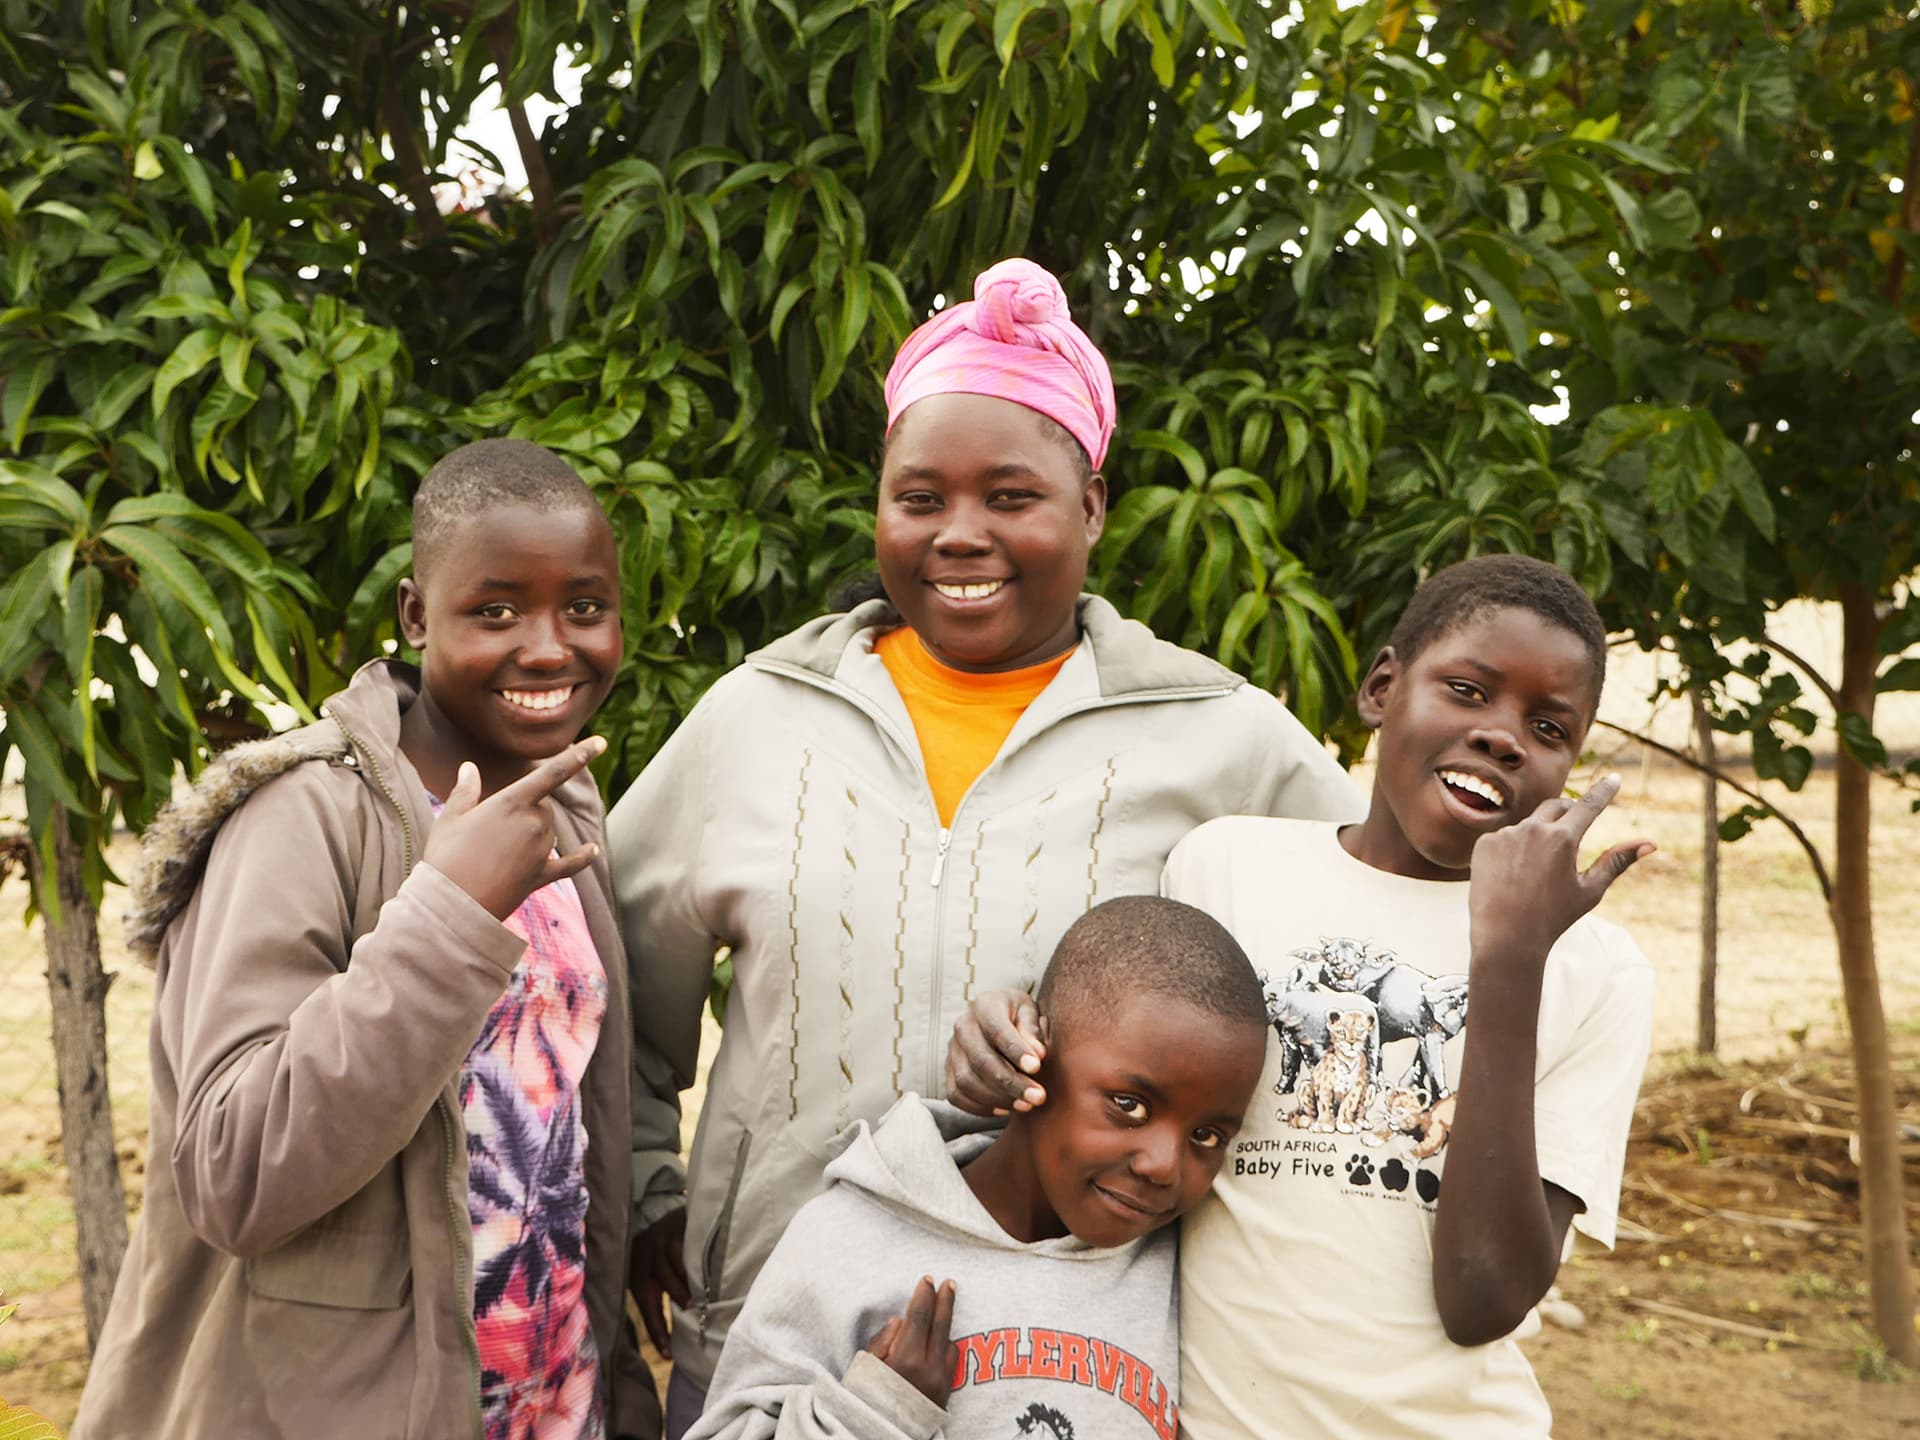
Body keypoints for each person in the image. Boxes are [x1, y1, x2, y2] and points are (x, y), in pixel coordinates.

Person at [610, 256, 1364, 1436]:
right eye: (920, 498)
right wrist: (649, 1185)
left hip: (1088, 1368)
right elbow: (612, 983)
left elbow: (1372, 966)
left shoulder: (1221, 738)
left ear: (1093, 508)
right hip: (776, 1349)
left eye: (1012, 496)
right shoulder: (756, 718)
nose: (961, 535)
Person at [947, 554, 1658, 1438]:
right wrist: (1010, 1035)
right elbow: (1106, 1077)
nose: (1503, 737)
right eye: (1468, 691)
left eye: (1548, 728)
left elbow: (1482, 1299)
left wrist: (1511, 960)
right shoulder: (1225, 867)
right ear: (1382, 687)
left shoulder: (1597, 971)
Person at [74, 439, 657, 1439]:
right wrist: (449, 915)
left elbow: (567, 1146)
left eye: (585, 607)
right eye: (496, 611)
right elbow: (231, 1173)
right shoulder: (304, 818)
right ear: (415, 615)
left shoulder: (564, 809)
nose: (548, 647)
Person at [686, 896, 1270, 1440]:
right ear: (1032, 1056)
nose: (1165, 1166)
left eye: (1206, 1135)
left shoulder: (1187, 1267)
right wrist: (873, 1414)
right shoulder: (846, 1241)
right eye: (1129, 1105)